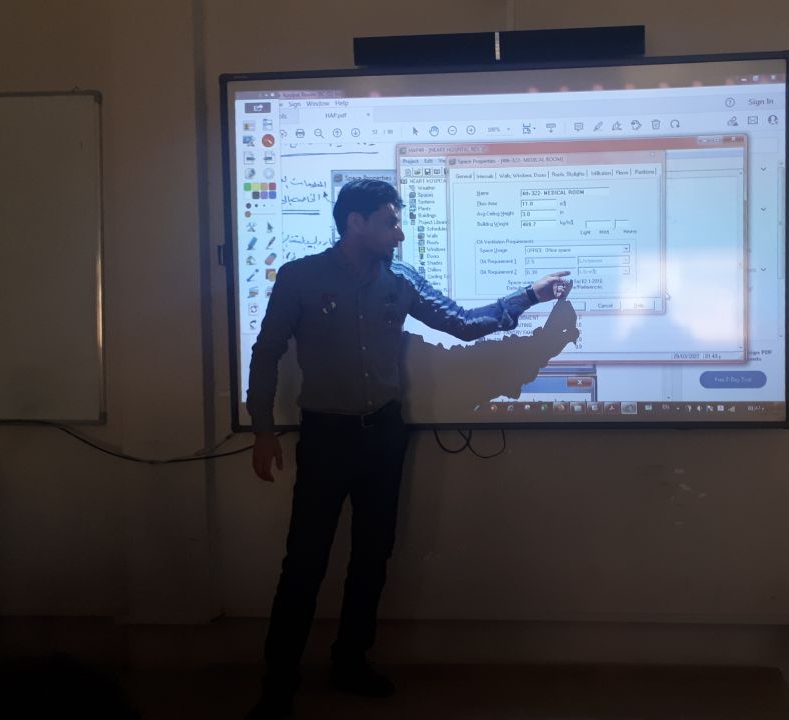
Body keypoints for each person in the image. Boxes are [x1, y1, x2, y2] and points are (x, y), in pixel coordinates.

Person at [244, 178, 571, 719]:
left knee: (373, 557)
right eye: (390, 222)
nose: (399, 234)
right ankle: (278, 685)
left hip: (384, 435)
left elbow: (463, 325)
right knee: (304, 562)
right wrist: (261, 428)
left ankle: (350, 663)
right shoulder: (300, 277)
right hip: (325, 437)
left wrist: (529, 297)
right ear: (356, 223)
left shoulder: (401, 279)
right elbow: (267, 351)